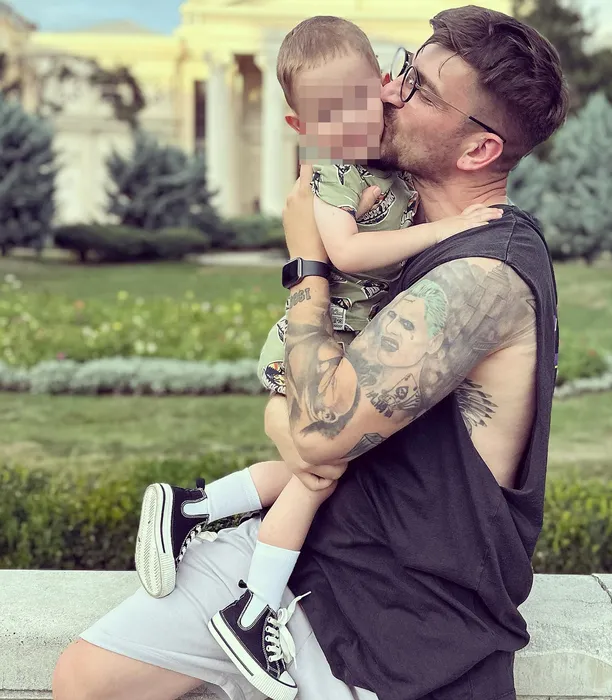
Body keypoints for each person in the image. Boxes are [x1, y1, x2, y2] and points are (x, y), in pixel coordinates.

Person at [52, 6, 568, 700]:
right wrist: (288, 427)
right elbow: (295, 425)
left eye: (418, 89)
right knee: (87, 679)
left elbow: (319, 432)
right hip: (321, 536)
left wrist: (305, 263)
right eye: (401, 68)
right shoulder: (395, 217)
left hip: (400, 608)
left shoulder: (485, 273)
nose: (388, 91)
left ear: (477, 150)